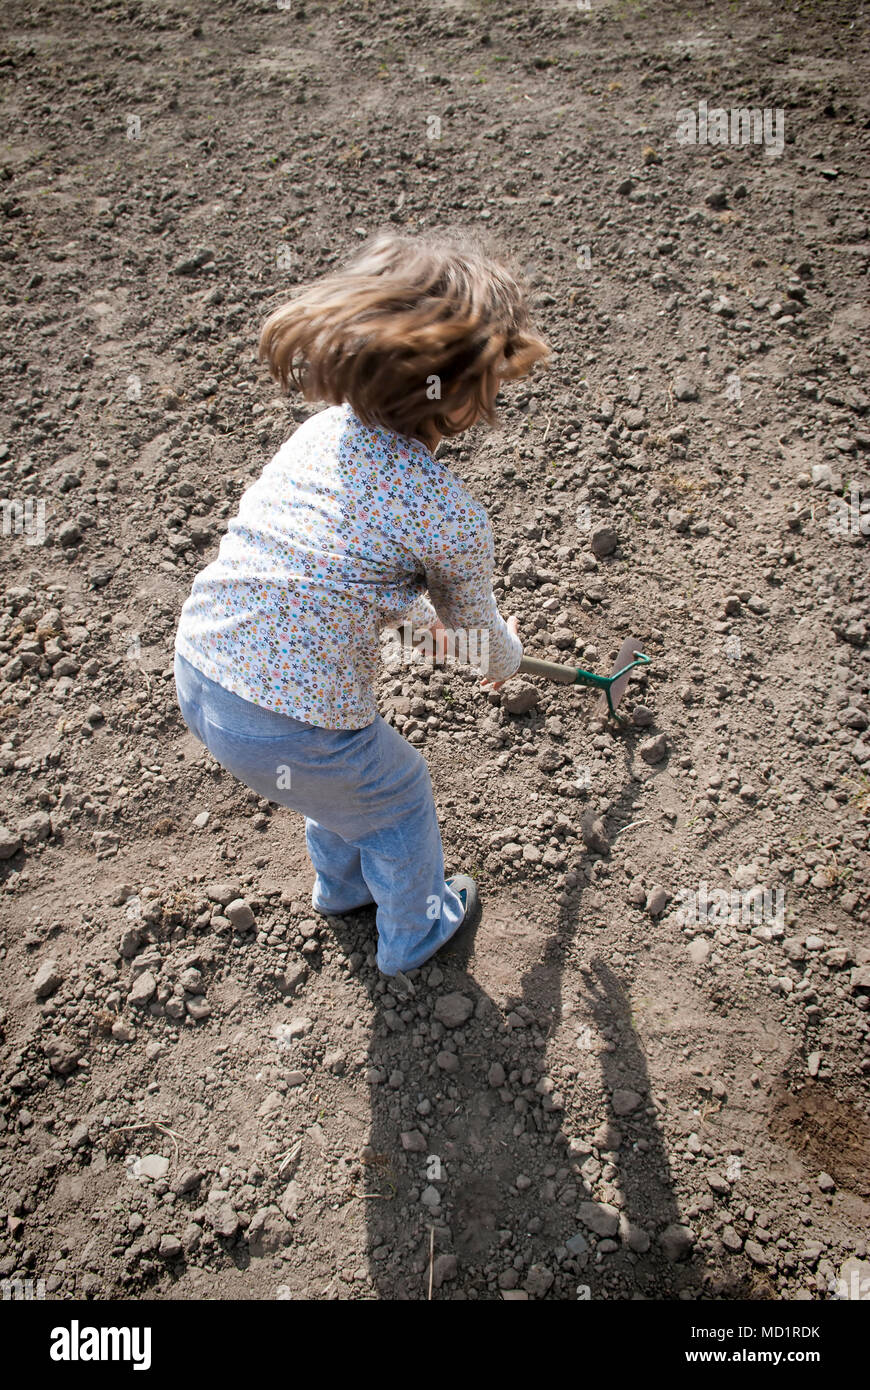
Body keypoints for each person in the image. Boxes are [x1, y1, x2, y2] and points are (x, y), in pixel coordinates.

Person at [173, 231, 548, 976]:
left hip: (200, 673)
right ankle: (416, 933)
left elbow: (325, 567)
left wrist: (419, 627)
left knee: (343, 788)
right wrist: (501, 657)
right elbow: (477, 635)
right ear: (468, 396)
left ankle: (342, 891)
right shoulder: (451, 517)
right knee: (397, 789)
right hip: (291, 726)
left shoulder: (318, 436)